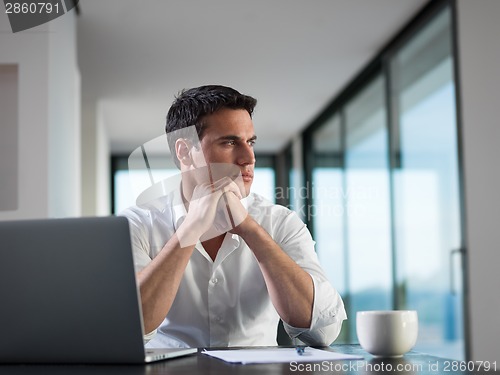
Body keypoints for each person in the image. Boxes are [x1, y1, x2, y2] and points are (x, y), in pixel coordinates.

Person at [120, 85, 346, 348]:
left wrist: (250, 229)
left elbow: (322, 332)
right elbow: (128, 328)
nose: (248, 158)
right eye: (229, 142)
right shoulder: (136, 224)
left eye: (250, 142)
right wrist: (190, 229)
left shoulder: (282, 223)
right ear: (184, 151)